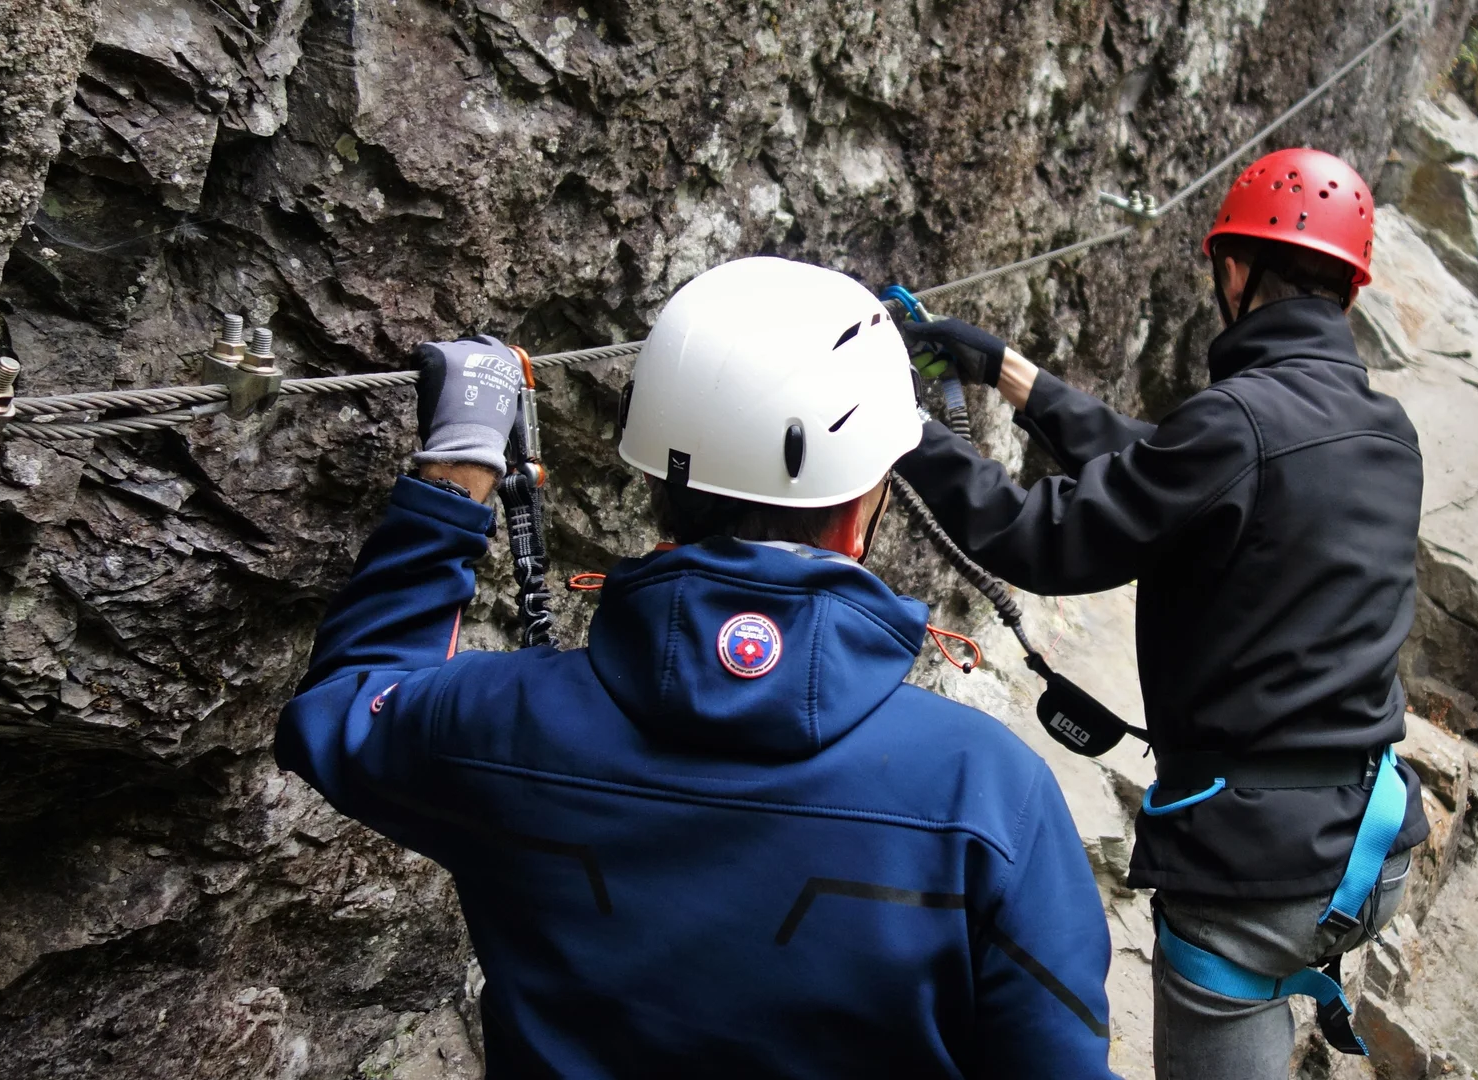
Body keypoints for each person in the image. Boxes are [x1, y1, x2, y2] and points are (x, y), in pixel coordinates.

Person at [276, 256, 1119, 1078]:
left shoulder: (499, 726)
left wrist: (455, 474)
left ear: (658, 482)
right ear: (865, 510)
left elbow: (344, 704)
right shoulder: (988, 794)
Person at [891, 148, 1428, 1079]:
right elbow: (1175, 468)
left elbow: (1039, 536)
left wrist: (889, 427)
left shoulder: (1238, 424)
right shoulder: (1385, 430)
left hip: (1254, 874)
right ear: (1348, 288)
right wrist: (1010, 375)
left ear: (1233, 269)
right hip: (1371, 838)